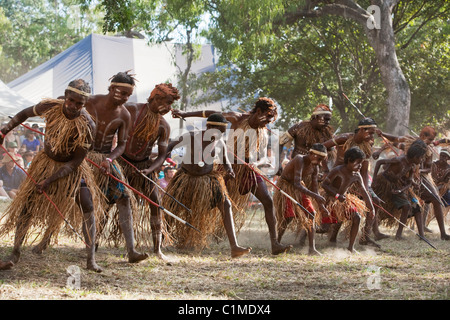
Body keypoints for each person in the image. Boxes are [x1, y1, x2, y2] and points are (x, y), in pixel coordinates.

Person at [0, 79, 103, 272]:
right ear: (65, 95)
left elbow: (76, 162)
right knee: (27, 204)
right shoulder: (49, 106)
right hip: (45, 163)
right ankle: (15, 251)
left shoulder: (87, 125)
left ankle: (91, 259)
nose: (74, 107)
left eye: (79, 104)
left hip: (70, 169)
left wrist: (50, 180)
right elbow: (24, 113)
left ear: (84, 104)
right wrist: (5, 130)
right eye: (71, 100)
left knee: (87, 202)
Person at [173, 98, 292, 255]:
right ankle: (189, 236)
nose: (268, 122)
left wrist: (257, 163)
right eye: (267, 118)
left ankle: (275, 243)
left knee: (268, 201)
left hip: (248, 169)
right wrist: (185, 114)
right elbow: (213, 114)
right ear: (258, 112)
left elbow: (262, 155)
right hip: (227, 167)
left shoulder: (263, 131)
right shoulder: (237, 118)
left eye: (271, 119)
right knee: (212, 204)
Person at [164, 113, 252, 258]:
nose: (218, 136)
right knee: (171, 206)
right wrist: (162, 157)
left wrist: (229, 170)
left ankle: (234, 247)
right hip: (185, 178)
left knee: (226, 205)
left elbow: (226, 161)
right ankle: (161, 240)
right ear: (208, 126)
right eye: (217, 133)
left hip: (208, 181)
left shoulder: (220, 142)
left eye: (222, 134)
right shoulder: (191, 136)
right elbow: (170, 146)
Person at [84, 71, 148, 263]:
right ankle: (44, 241)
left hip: (105, 159)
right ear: (111, 88)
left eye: (128, 95)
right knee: (85, 200)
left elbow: (121, 145)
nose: (125, 98)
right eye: (121, 93)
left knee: (124, 198)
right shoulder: (90, 102)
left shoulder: (124, 115)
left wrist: (110, 160)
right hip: (82, 158)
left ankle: (131, 251)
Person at [118, 83, 180, 261]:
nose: (169, 108)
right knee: (108, 199)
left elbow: (161, 156)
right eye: (167, 103)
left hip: (144, 167)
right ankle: (94, 242)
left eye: (170, 104)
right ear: (155, 98)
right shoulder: (131, 109)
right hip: (121, 162)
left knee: (155, 202)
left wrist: (149, 170)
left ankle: (157, 249)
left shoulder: (163, 126)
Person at [322, 117, 386, 244]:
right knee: (340, 205)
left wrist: (365, 189)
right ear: (362, 130)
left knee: (374, 201)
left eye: (373, 133)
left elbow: (364, 171)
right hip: (337, 180)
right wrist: (325, 170)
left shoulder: (367, 146)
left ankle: (365, 236)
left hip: (354, 180)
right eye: (370, 132)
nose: (372, 136)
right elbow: (321, 148)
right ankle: (332, 236)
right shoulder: (343, 138)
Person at [379, 126, 450, 240]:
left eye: (432, 140)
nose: (432, 143)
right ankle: (377, 228)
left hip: (420, 178)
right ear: (422, 136)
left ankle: (442, 233)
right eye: (430, 139)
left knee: (435, 200)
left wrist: (417, 170)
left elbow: (428, 168)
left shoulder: (428, 150)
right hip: (404, 178)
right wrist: (382, 133)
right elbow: (396, 139)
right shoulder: (410, 141)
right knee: (411, 206)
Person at [274, 143, 330, 255]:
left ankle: (312, 249)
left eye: (322, 160)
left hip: (299, 189)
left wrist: (322, 207)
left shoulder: (315, 167)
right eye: (319, 159)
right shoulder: (299, 159)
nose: (319, 162)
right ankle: (277, 242)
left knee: (311, 213)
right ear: (311, 154)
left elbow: (315, 188)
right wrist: (316, 196)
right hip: (286, 187)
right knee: (288, 216)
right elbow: (297, 183)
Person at [371, 139, 429, 240]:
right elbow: (379, 162)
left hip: (396, 187)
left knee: (407, 206)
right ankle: (373, 232)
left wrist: (401, 190)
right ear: (415, 157)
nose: (422, 160)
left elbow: (409, 182)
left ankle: (399, 234)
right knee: (376, 206)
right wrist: (374, 179)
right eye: (421, 157)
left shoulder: (412, 166)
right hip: (383, 183)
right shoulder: (399, 160)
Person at [320, 147, 376, 252]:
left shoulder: (357, 175)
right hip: (329, 199)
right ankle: (305, 238)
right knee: (323, 227)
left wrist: (372, 208)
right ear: (349, 160)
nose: (360, 166)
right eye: (358, 163)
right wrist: (337, 195)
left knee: (357, 217)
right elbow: (324, 185)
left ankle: (351, 248)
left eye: (361, 163)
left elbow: (364, 192)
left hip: (343, 200)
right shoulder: (338, 170)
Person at [279, 104, 334, 174]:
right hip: (296, 170)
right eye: (326, 119)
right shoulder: (299, 128)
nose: (328, 123)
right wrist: (278, 164)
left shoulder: (327, 133)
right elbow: (280, 143)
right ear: (316, 117)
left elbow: (330, 155)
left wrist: (325, 171)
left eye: (329, 120)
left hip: (315, 173)